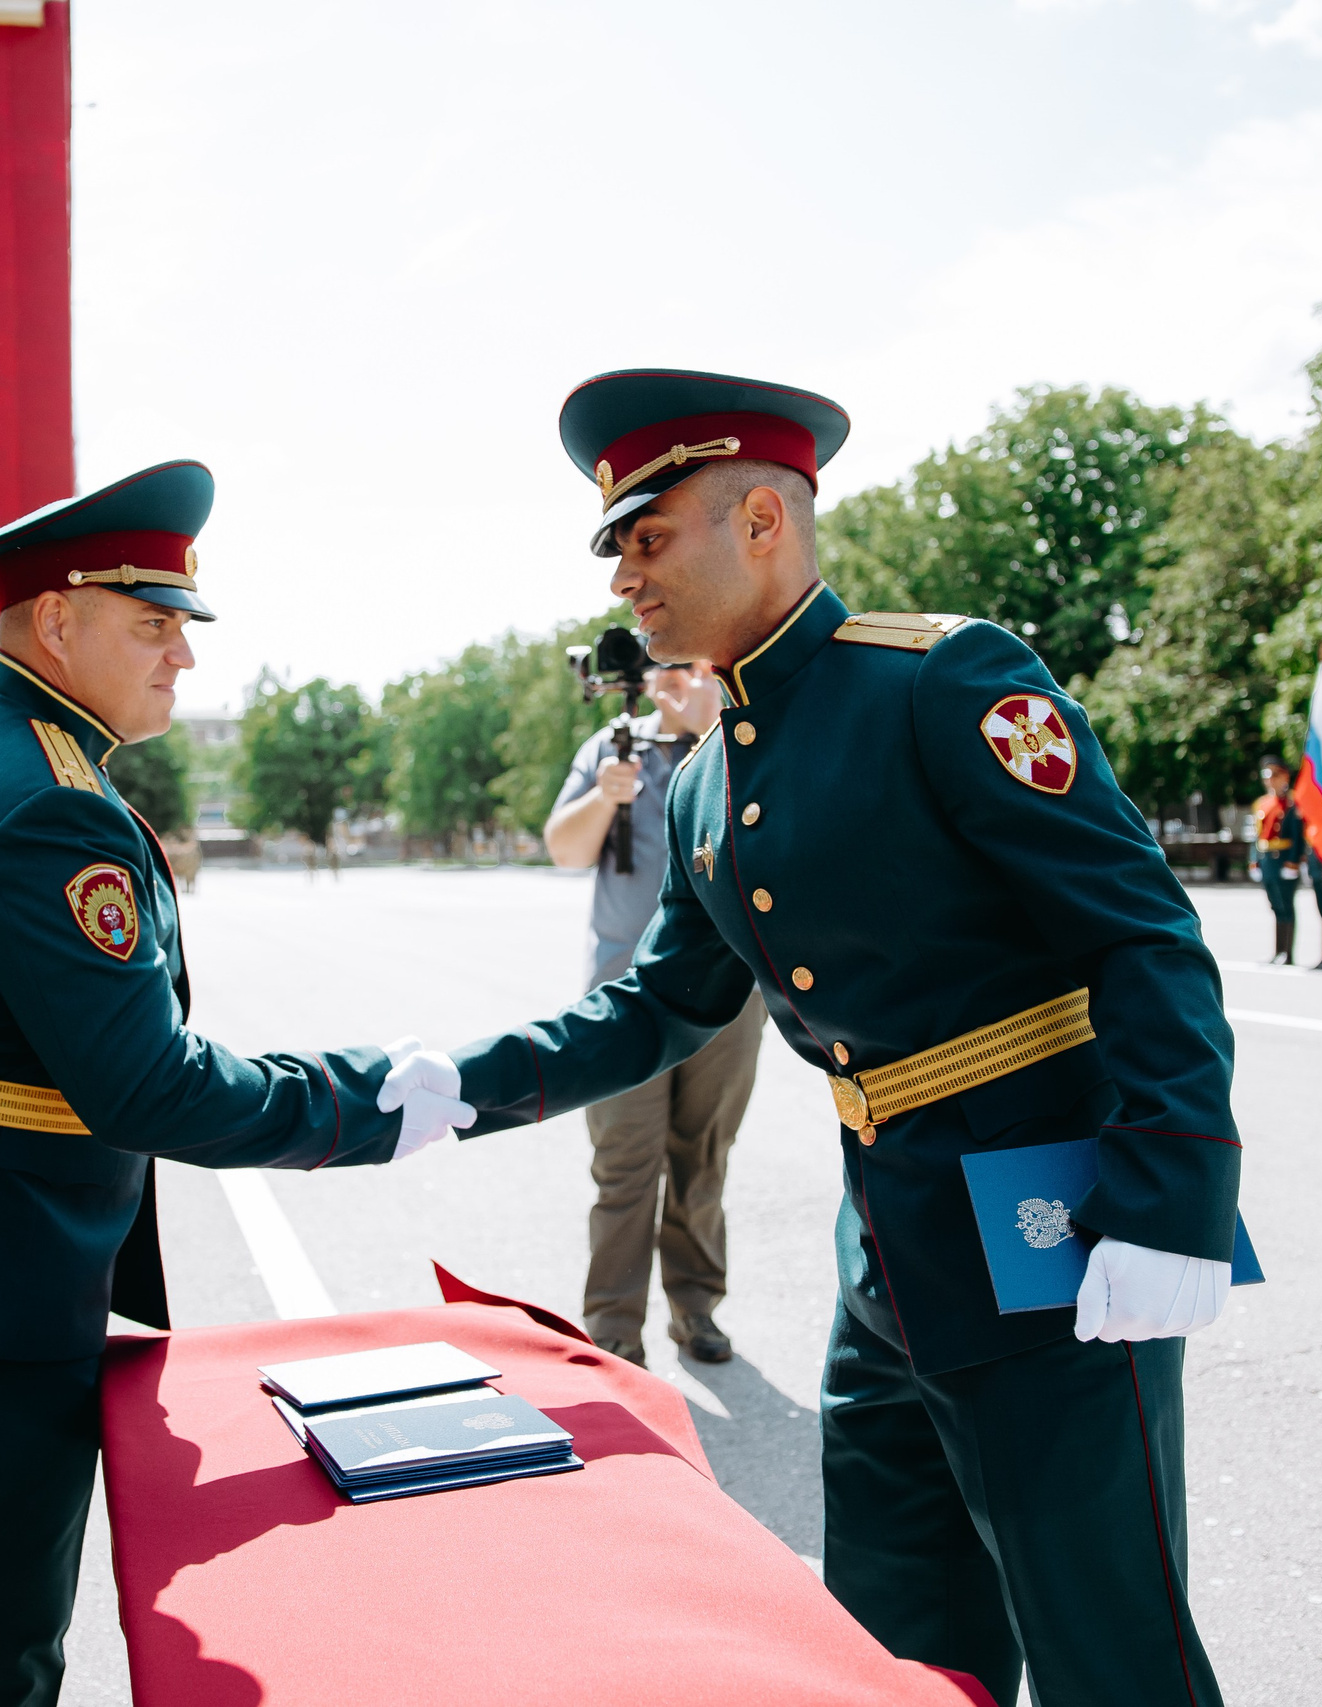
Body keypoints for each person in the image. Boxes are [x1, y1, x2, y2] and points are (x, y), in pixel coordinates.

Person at [415, 370, 1238, 1706]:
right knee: (900, 1645)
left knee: (1113, 1652)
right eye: (616, 545)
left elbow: (1142, 935)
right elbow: (660, 1004)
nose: (626, 574)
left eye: (648, 533)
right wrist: (457, 1084)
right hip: (890, 1260)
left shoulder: (941, 677)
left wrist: (1174, 1202)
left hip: (1056, 1246)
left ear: (759, 522)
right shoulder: (707, 780)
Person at [0, 460, 470, 1707]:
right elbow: (148, 1087)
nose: (182, 655)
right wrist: (363, 1104)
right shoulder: (45, 809)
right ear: (58, 622)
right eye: (153, 623)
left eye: (184, 626)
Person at [545, 659, 766, 1365]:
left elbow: (775, 847)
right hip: (626, 995)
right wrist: (607, 796)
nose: (680, 676)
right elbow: (565, 850)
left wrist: (712, 732)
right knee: (624, 1165)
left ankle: (696, 1309)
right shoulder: (613, 748)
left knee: (703, 1158)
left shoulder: (744, 739)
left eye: (696, 665)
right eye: (668, 663)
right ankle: (612, 1330)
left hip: (727, 997)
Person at [1247, 756, 1303, 965]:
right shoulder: (1262, 803)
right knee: (1275, 906)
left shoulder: (1292, 803)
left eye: (1274, 775)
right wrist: (1254, 860)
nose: (1269, 780)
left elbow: (1298, 835)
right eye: (1266, 776)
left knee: (1286, 906)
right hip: (1267, 858)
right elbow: (1256, 835)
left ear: (1285, 776)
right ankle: (1278, 950)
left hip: (1284, 858)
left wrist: (1294, 861)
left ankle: (1287, 953)